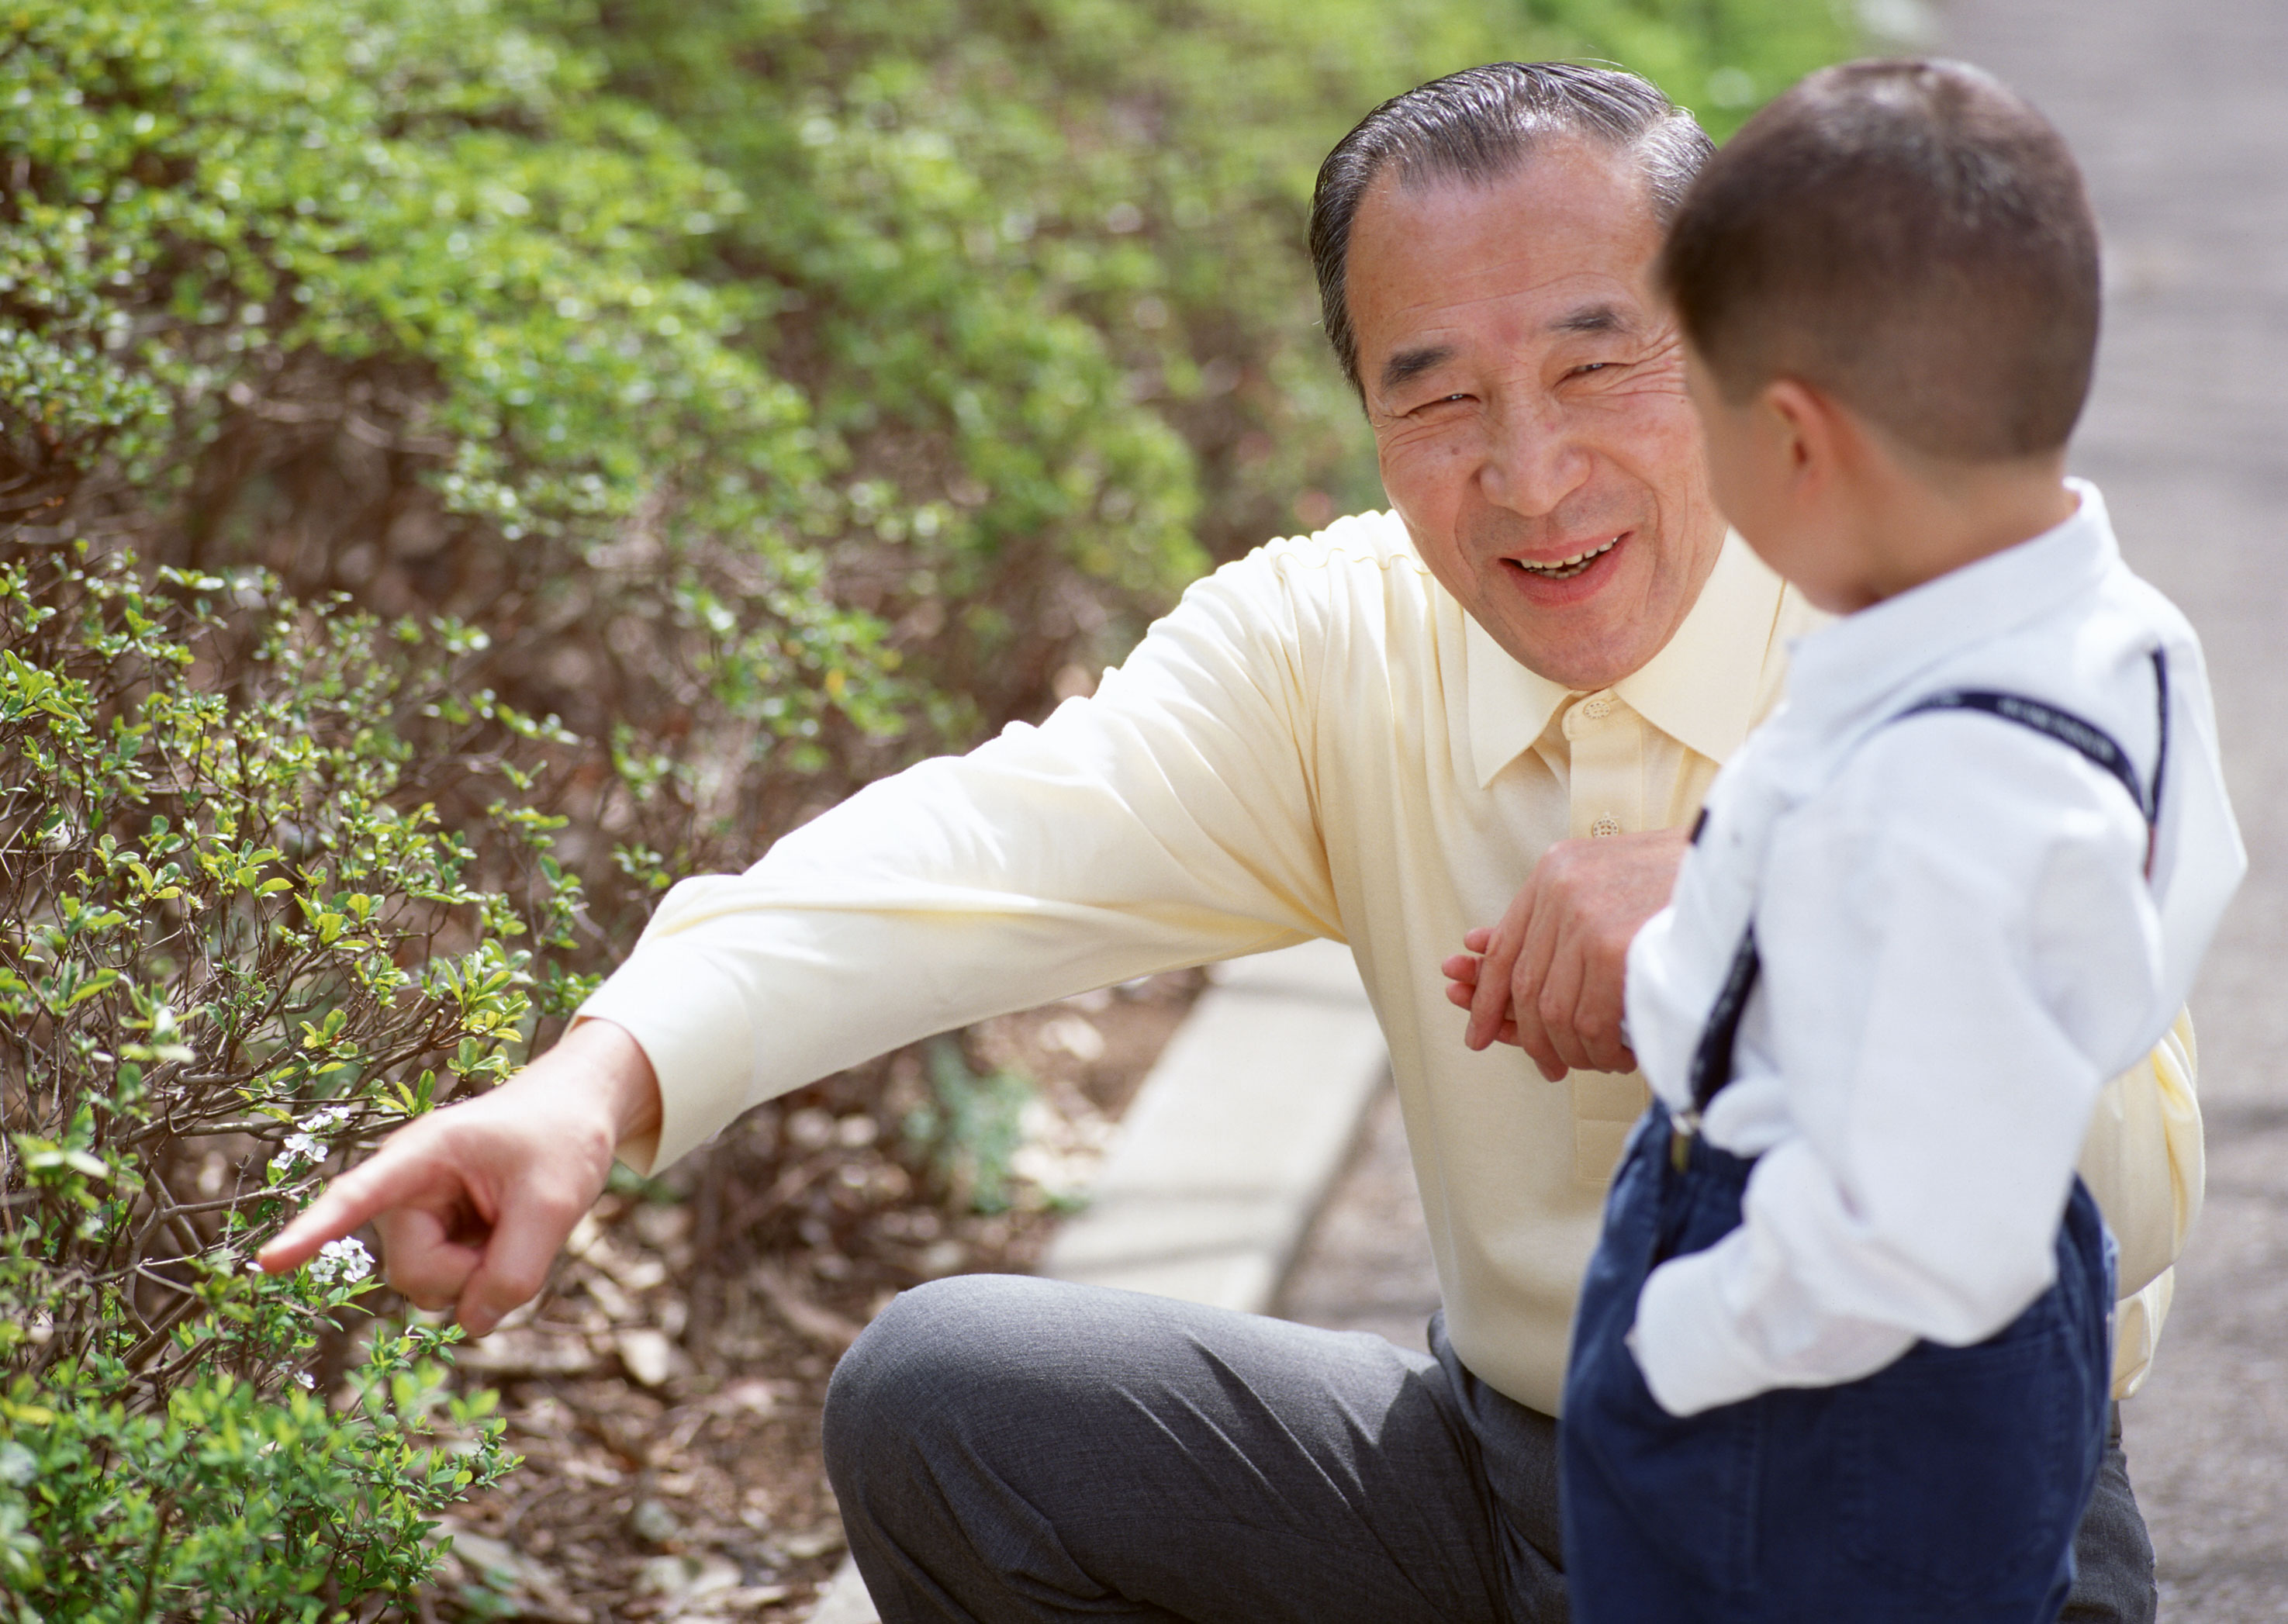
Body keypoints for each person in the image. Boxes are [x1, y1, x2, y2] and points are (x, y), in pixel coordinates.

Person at [261, 63, 2202, 1622]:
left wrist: (1749, 937)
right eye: (1433, 398)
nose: (1528, 478)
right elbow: (973, 850)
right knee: (954, 1410)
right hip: (1510, 1476)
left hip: (1912, 1519)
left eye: (1599, 367)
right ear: (1364, 413)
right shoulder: (1334, 638)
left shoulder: (1954, 627)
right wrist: (597, 1085)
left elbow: (2127, 1177)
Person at [1536, 60, 2244, 1624]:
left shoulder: (1931, 801)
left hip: (1821, 1367)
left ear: (1792, 439)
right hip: (1967, 1251)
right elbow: (2177, 888)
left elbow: (1923, 1243)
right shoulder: (2108, 632)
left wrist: (1689, 1335)